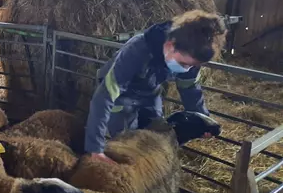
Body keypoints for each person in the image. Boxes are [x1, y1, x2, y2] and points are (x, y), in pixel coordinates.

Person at [84, 10, 227, 163]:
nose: (188, 69)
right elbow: (104, 96)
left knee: (155, 134)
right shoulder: (137, 50)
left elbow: (190, 88)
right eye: (184, 64)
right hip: (121, 96)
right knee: (128, 143)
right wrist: (95, 148)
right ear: (170, 45)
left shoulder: (191, 53)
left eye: (193, 66)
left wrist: (203, 120)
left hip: (150, 93)